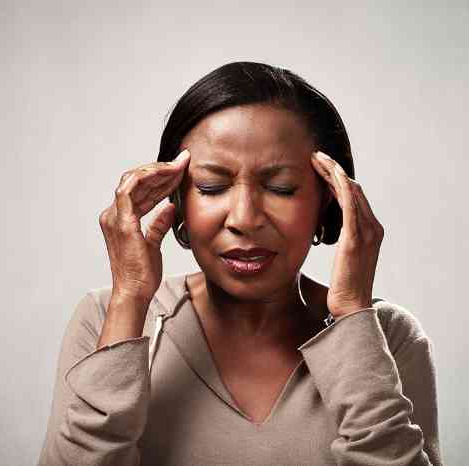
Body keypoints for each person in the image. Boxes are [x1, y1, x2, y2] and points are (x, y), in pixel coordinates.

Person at [38, 61, 442, 466]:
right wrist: (128, 299)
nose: (245, 219)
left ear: (329, 199)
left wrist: (354, 314)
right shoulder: (105, 318)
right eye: (212, 187)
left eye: (280, 187)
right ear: (175, 199)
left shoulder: (387, 337)